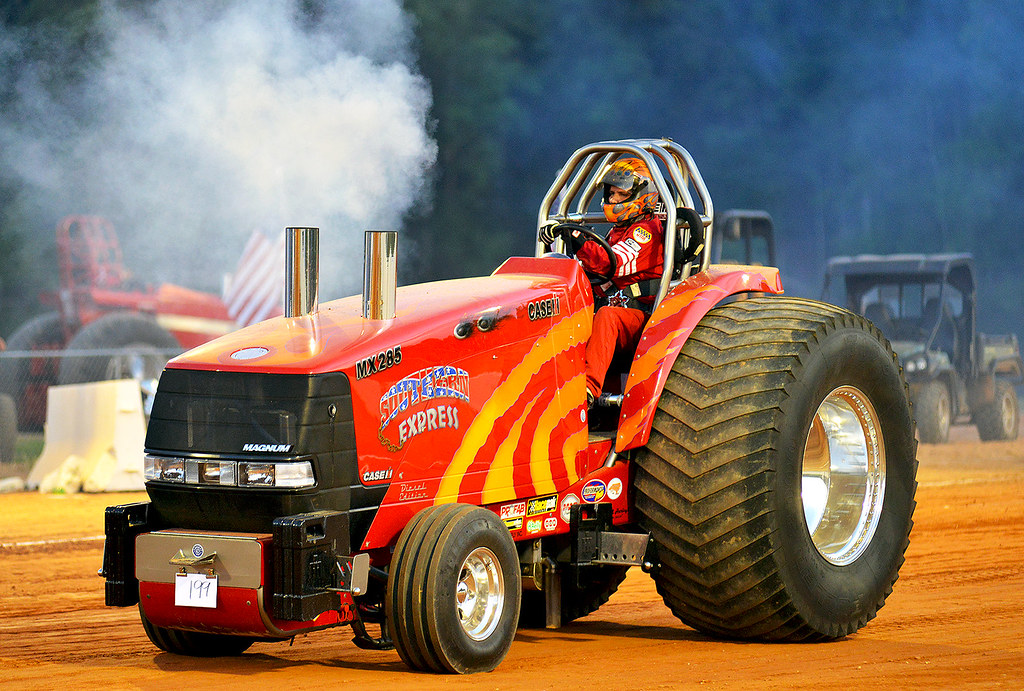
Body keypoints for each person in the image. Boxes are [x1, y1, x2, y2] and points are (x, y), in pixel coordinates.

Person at [540, 157, 665, 407]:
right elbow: (598, 272)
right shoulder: (618, 230)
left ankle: (586, 391)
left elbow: (614, 264)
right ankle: (546, 383)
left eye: (621, 194)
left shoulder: (646, 230)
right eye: (611, 193)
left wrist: (578, 240)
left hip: (642, 319)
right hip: (617, 312)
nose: (614, 200)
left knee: (607, 315)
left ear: (643, 195)